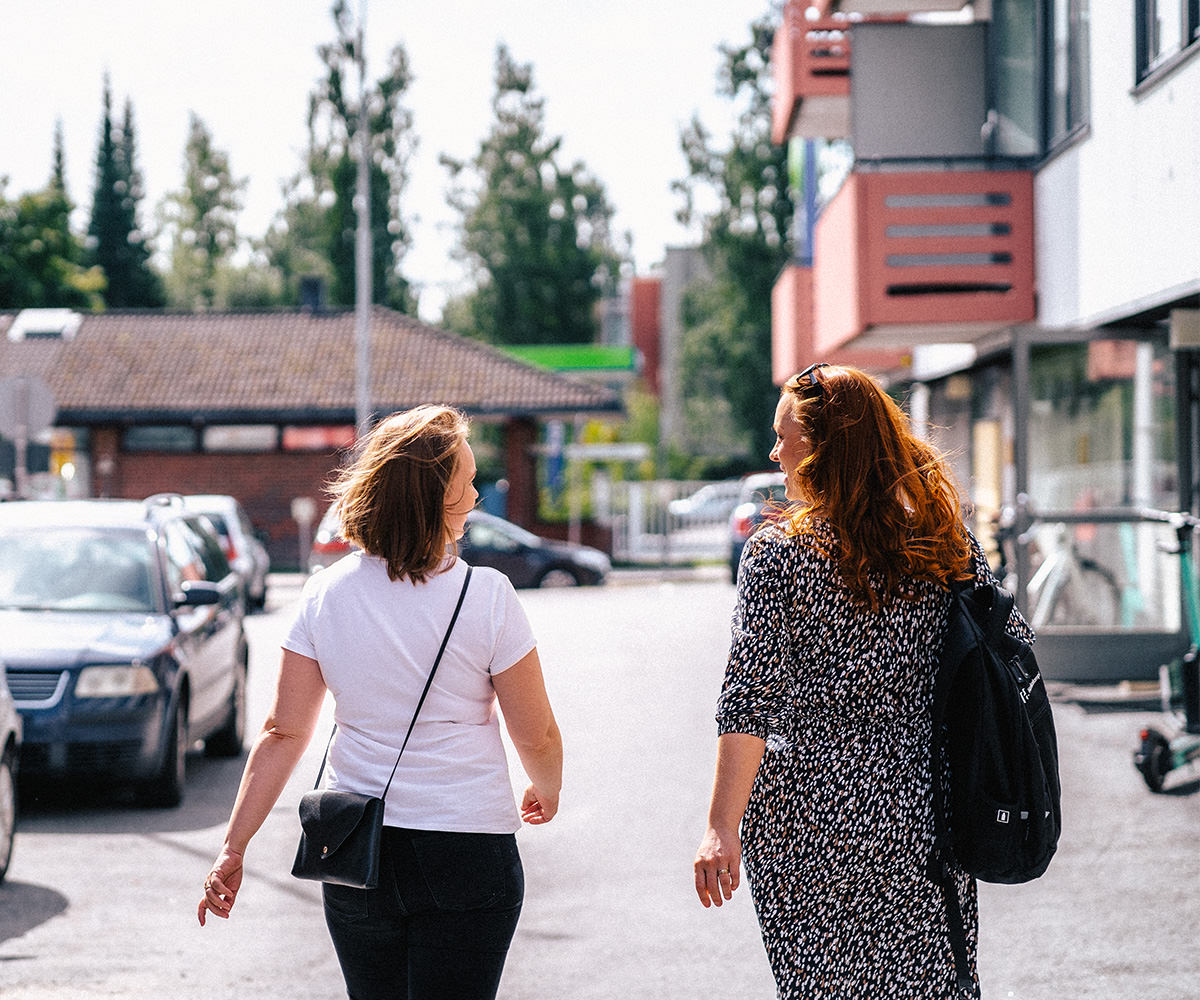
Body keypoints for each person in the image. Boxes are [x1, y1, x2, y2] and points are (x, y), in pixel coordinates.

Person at [198, 405, 562, 1000]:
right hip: (467, 847)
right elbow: (536, 733)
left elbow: (282, 733)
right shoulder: (488, 596)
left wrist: (233, 847)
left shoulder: (325, 594)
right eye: (467, 482)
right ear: (433, 499)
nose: (476, 496)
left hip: (356, 849)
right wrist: (547, 785)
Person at [693, 364, 1032, 998]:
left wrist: (720, 826)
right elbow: (1012, 647)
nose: (774, 453)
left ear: (826, 449)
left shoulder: (779, 556)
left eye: (784, 437)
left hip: (807, 823)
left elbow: (748, 701)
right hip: (925, 807)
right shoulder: (944, 543)